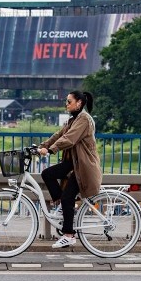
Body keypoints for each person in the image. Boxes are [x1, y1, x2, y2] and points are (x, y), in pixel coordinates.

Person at [38, 90, 102, 248]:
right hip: (73, 162)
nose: (66, 104)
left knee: (68, 197)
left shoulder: (84, 120)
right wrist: (42, 146)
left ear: (79, 103)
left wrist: (51, 150)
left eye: (69, 101)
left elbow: (70, 139)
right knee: (47, 174)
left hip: (84, 166)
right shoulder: (72, 120)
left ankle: (69, 235)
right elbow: (59, 135)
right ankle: (63, 207)